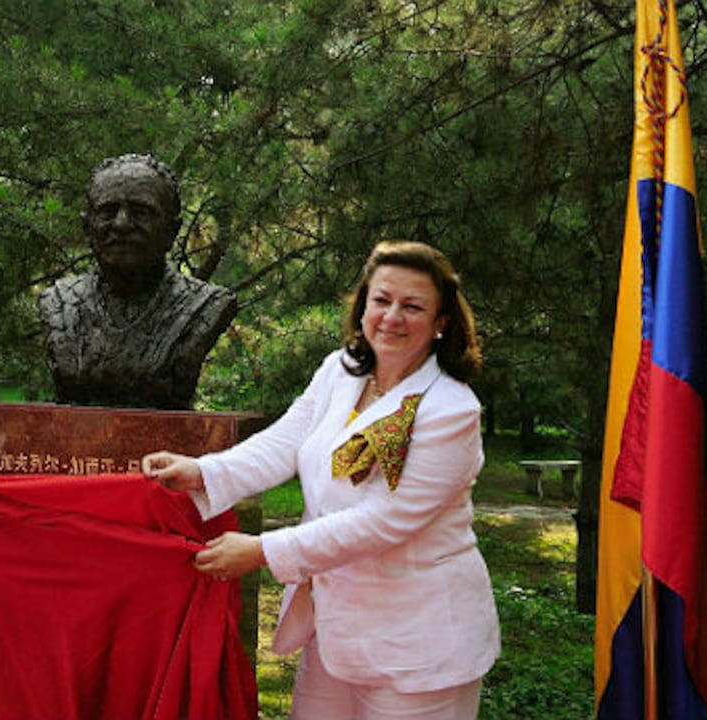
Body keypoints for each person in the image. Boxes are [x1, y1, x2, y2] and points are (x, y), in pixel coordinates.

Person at [143, 240, 500, 720]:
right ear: (363, 306)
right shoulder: (340, 371)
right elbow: (285, 442)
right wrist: (202, 470)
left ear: (441, 324)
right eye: (381, 300)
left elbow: (385, 521)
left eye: (412, 306)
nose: (392, 316)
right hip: (334, 628)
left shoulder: (451, 410)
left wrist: (262, 551)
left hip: (420, 643)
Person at [38, 153, 237, 410]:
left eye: (141, 212)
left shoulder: (206, 305)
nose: (121, 224)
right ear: (87, 227)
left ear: (172, 230)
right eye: (107, 212)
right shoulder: (59, 304)